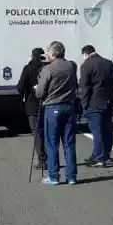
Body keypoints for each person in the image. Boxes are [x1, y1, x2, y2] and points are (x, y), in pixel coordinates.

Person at [35, 41, 79, 185]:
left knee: (52, 143)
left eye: (48, 52)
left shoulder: (48, 69)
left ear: (53, 53)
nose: (46, 54)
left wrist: (38, 88)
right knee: (69, 143)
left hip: (53, 107)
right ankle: (71, 176)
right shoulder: (71, 66)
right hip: (69, 106)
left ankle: (54, 176)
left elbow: (40, 92)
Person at [79, 44, 113, 167]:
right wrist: (112, 99)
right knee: (107, 130)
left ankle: (99, 158)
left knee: (97, 131)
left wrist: (84, 104)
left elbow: (85, 87)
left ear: (85, 54)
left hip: (93, 103)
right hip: (107, 101)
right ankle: (105, 155)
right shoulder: (109, 63)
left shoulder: (86, 65)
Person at [16, 47, 48, 169]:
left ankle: (42, 159)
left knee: (37, 133)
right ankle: (51, 158)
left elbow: (20, 87)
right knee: (47, 132)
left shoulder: (28, 68)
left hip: (32, 105)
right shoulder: (47, 67)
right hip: (47, 103)